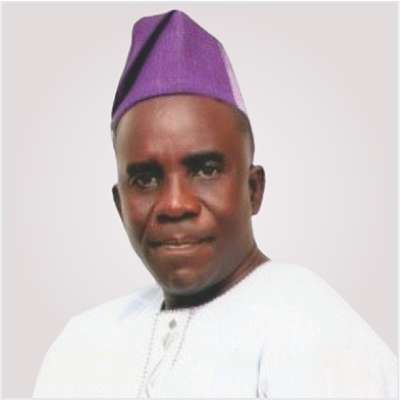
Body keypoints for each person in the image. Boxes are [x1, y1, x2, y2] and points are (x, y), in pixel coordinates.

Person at [33, 9, 397, 398]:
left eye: (205, 170)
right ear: (120, 204)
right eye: (145, 179)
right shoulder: (82, 345)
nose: (175, 204)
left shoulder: (313, 329)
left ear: (253, 189)